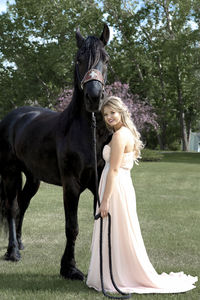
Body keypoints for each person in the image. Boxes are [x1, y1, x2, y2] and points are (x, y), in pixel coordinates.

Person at [86, 96, 197, 294]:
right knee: (119, 231)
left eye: (112, 112)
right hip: (120, 185)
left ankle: (119, 276)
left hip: (115, 188)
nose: (109, 117)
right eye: (105, 114)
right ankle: (115, 271)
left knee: (116, 229)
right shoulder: (123, 132)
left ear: (121, 112)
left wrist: (105, 200)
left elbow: (113, 170)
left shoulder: (120, 136)